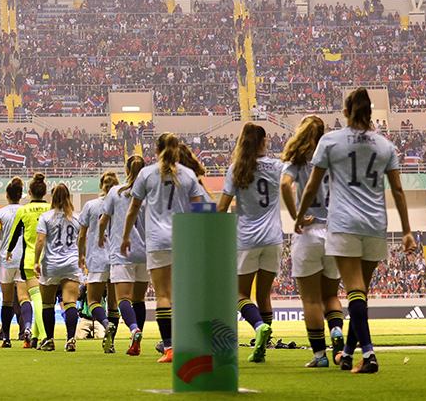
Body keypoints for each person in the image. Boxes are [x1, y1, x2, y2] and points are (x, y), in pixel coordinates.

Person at [295, 88, 414, 374]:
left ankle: (370, 354)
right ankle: (347, 353)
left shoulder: (330, 141)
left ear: (346, 111)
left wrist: (299, 215)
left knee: (355, 291)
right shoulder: (385, 145)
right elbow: (397, 189)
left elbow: (312, 186)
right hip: (375, 225)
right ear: (369, 113)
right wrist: (407, 230)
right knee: (359, 292)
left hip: (344, 224)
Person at [122, 133, 204, 363]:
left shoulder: (147, 173)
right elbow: (199, 211)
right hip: (183, 239)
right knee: (182, 295)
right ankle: (187, 342)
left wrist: (126, 236)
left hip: (157, 241)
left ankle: (169, 348)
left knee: (163, 295)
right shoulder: (188, 174)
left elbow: (133, 208)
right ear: (177, 150)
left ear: (156, 150)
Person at [281, 115, 345, 368]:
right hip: (334, 232)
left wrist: (295, 215)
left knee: (310, 300)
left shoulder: (297, 160)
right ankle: (337, 330)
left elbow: (285, 185)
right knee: (331, 295)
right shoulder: (334, 157)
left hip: (309, 233)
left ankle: (319, 356)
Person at [218, 123, 284, 363]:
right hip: (274, 238)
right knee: (265, 295)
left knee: (240, 293)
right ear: (264, 142)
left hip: (247, 239)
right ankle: (262, 348)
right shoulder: (278, 166)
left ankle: (258, 327)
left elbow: (222, 207)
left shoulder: (237, 168)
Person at [101, 156, 149, 356]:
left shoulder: (115, 192)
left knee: (123, 299)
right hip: (145, 252)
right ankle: (136, 339)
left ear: (126, 169)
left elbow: (104, 219)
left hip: (123, 251)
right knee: (139, 300)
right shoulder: (149, 193)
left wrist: (99, 237)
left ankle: (134, 329)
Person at [35, 183, 82, 352]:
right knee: (70, 302)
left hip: (51, 264)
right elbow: (82, 240)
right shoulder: (77, 218)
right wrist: (82, 258)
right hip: (71, 263)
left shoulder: (46, 217)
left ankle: (49, 340)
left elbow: (40, 240)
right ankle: (70, 340)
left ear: (52, 197)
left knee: (47, 303)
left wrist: (35, 262)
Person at [6, 173, 52, 348]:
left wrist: (9, 251)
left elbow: (15, 234)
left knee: (37, 300)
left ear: (30, 192)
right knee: (44, 300)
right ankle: (36, 336)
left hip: (30, 260)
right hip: (49, 261)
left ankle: (45, 336)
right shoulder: (51, 209)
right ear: (45, 191)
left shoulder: (23, 211)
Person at [77, 172, 120, 353]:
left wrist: (81, 255)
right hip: (117, 257)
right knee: (113, 304)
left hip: (97, 257)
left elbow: (81, 235)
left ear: (101, 186)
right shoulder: (120, 205)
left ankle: (105, 324)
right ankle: (111, 343)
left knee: (93, 300)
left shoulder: (90, 206)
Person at [0, 177, 24, 348]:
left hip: (6, 260)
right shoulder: (26, 211)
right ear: (21, 195)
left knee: (7, 301)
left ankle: (6, 338)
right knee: (25, 298)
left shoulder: (0, 213)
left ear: (7, 195)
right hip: (25, 259)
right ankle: (28, 332)